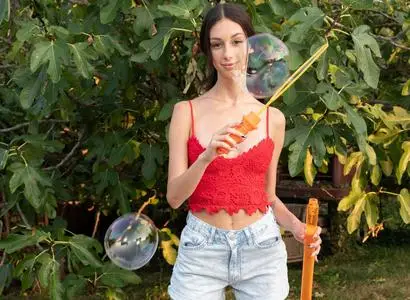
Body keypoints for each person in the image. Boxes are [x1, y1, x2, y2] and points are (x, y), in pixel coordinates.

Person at [166, 3, 322, 300]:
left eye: (237, 42)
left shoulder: (271, 118)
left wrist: (298, 227)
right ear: (207, 52)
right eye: (217, 44)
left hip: (261, 247)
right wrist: (206, 156)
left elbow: (267, 196)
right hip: (201, 250)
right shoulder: (186, 113)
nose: (228, 54)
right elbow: (174, 198)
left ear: (250, 47)